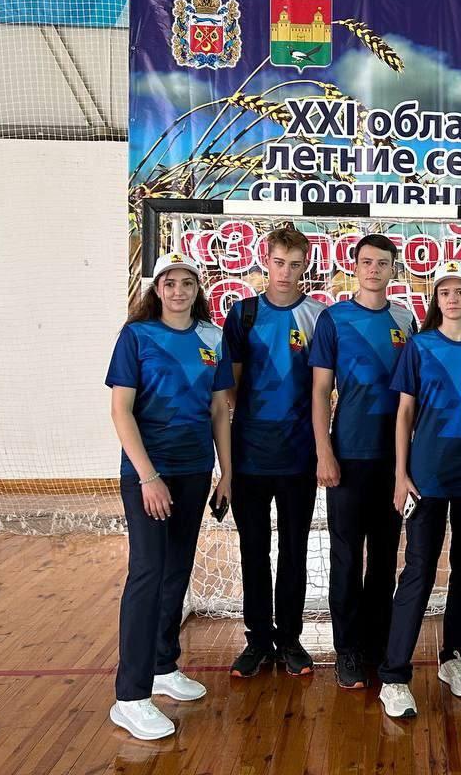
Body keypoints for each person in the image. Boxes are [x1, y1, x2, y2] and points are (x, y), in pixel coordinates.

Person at [106, 252, 234, 741]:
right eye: (169, 283)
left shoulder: (213, 338)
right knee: (147, 573)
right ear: (156, 289)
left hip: (194, 470)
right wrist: (148, 476)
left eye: (187, 283)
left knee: (177, 569)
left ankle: (162, 665)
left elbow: (219, 410)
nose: (178, 291)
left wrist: (225, 472)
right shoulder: (136, 337)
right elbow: (121, 411)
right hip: (149, 474)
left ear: (197, 289)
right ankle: (130, 696)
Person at [378, 262, 461, 719]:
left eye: (460, 291)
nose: (452, 299)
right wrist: (400, 474)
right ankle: (394, 676)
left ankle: (454, 657)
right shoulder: (419, 347)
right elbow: (404, 414)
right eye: (444, 292)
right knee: (419, 569)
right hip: (428, 475)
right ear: (436, 300)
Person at [308, 233, 417, 689]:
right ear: (355, 267)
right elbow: (319, 391)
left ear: (393, 269)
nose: (374, 269)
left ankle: (377, 642)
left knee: (386, 556)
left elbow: (413, 395)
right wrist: (324, 452)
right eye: (367, 262)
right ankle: (347, 649)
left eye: (383, 263)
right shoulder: (333, 319)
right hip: (349, 456)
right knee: (347, 557)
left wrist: (408, 464)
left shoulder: (405, 319)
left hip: (393, 461)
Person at [223, 227, 324, 679]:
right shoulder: (242, 314)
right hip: (249, 456)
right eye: (279, 262)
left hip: (299, 455)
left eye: (295, 264)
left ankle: (291, 639)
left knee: (294, 551)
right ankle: (258, 639)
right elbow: (230, 390)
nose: (286, 272)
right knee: (253, 550)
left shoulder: (318, 317)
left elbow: (324, 389)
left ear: (306, 265)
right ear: (266, 260)